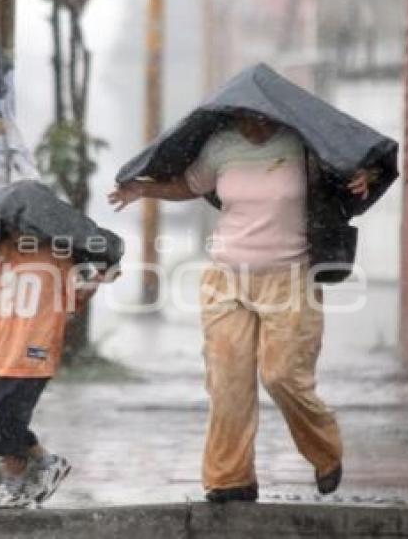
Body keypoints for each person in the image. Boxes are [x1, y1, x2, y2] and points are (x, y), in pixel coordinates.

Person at [108, 110, 374, 503]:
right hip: (226, 278)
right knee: (227, 383)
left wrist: (363, 177)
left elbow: (344, 173)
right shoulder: (221, 145)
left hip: (289, 279)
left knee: (283, 375)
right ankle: (230, 478)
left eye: (260, 114)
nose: (253, 122)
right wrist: (144, 189)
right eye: (244, 114)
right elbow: (190, 185)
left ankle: (325, 451)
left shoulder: (300, 141)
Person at [0, 232, 107, 509]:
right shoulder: (1, 252)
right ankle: (47, 464)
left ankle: (15, 485)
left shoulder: (59, 253)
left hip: (35, 348)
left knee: (5, 421)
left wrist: (98, 277)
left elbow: (77, 296)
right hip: (4, 351)